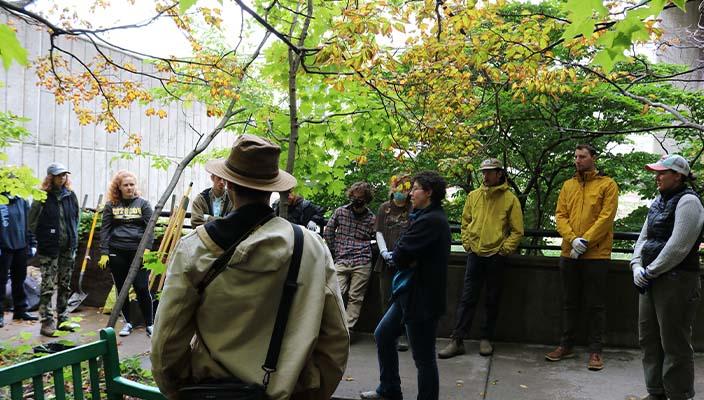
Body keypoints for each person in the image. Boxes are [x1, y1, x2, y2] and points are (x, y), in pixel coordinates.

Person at [151, 134, 349, 400]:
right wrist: (313, 392)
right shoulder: (311, 247)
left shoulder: (196, 248)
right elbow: (335, 337)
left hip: (211, 391)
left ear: (229, 184)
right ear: (273, 189)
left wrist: (176, 388)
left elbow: (167, 337)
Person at [361, 171, 451, 400]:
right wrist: (404, 252)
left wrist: (403, 253)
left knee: (424, 359)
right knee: (383, 334)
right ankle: (389, 389)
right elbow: (404, 251)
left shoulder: (432, 220)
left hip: (422, 298)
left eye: (416, 188)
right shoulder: (421, 216)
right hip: (407, 293)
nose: (410, 193)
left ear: (428, 193)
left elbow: (400, 255)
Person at [631, 154, 704, 400]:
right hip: (651, 279)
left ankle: (679, 394)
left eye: (662, 172)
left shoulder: (689, 202)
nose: (657, 176)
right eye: (656, 172)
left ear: (678, 176)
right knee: (648, 338)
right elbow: (644, 237)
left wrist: (650, 271)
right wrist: (635, 266)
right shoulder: (658, 201)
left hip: (677, 280)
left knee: (674, 342)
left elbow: (678, 247)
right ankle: (656, 392)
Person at [438, 158, 524, 359]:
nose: (485, 175)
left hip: (496, 256)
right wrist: (467, 243)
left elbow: (517, 230)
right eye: (483, 171)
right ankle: (457, 340)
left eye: (489, 171)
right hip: (475, 254)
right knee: (467, 298)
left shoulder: (510, 199)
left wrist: (504, 250)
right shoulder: (474, 196)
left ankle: (486, 338)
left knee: (492, 299)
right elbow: (466, 221)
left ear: (499, 173)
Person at [545, 144, 619, 371]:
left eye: (582, 156)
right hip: (569, 254)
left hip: (597, 255)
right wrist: (572, 239)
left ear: (593, 158)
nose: (577, 160)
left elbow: (606, 217)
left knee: (596, 304)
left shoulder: (608, 184)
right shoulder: (568, 185)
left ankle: (595, 351)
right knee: (569, 302)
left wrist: (585, 240)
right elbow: (560, 215)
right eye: (575, 156)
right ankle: (565, 345)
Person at [97, 170, 155, 337]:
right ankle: (128, 322)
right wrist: (104, 252)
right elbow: (105, 230)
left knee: (142, 287)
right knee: (122, 288)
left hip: (138, 252)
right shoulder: (111, 205)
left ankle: (149, 324)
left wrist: (147, 249)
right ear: (119, 187)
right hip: (117, 252)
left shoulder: (143, 204)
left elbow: (150, 229)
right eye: (126, 185)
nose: (129, 188)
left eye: (132, 184)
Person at [29, 162, 80, 337]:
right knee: (48, 285)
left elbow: (76, 220)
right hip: (49, 248)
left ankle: (63, 318)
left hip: (68, 247)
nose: (62, 178)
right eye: (59, 175)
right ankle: (47, 321)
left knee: (65, 284)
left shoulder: (70, 196)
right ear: (50, 177)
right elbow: (32, 223)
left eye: (64, 175)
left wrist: (74, 242)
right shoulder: (41, 197)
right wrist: (39, 240)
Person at [323, 181, 376, 333]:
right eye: (355, 196)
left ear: (366, 199)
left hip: (362, 261)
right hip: (342, 259)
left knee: (356, 297)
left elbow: (377, 237)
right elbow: (329, 232)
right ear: (351, 196)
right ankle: (333, 327)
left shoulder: (372, 218)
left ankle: (346, 330)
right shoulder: (340, 212)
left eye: (361, 197)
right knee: (333, 293)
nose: (357, 200)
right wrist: (335, 251)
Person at [375, 174, 413, 352]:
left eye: (405, 189)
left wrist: (401, 254)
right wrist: (384, 253)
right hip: (386, 261)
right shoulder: (384, 208)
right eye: (399, 188)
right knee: (385, 297)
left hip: (405, 260)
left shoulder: (412, 209)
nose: (401, 192)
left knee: (405, 298)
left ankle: (404, 333)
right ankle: (387, 333)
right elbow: (379, 232)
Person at [0, 194, 39, 327]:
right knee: (1, 281)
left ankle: (20, 310)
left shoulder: (22, 200)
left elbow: (29, 224)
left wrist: (32, 244)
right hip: (3, 248)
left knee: (19, 280)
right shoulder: (1, 200)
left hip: (20, 247)